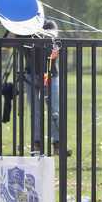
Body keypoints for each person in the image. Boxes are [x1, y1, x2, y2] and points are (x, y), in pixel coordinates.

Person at [23, 19, 70, 156]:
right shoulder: (24, 26)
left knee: (54, 110)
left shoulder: (50, 23)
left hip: (49, 74)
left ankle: (57, 143)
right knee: (35, 111)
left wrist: (35, 31)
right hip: (31, 74)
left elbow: (52, 35)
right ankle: (36, 143)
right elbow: (9, 39)